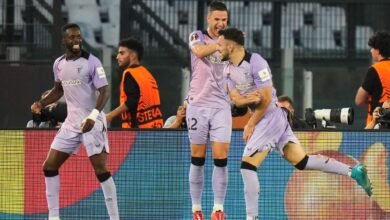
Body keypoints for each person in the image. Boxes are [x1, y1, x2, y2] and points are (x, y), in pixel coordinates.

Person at [217, 27, 373, 220]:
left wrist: (250, 122)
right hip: (271, 117)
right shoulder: (227, 70)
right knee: (302, 162)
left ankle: (252, 218)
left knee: (247, 168)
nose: (217, 48)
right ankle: (353, 171)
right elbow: (237, 101)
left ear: (231, 46)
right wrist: (248, 100)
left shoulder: (256, 62)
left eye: (220, 44)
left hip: (270, 117)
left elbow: (265, 100)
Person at [30, 23, 119, 220]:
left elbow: (105, 91)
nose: (76, 40)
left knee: (101, 171)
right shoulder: (59, 64)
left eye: (78, 36)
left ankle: (115, 218)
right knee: (49, 166)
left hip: (92, 122)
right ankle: (53, 217)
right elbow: (58, 90)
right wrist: (40, 103)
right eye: (72, 37)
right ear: (64, 40)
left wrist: (93, 116)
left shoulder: (92, 62)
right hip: (71, 124)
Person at [186, 1, 254, 219]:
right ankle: (196, 209)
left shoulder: (230, 44)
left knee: (220, 156)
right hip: (197, 105)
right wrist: (221, 43)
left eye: (224, 20)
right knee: (197, 157)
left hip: (221, 107)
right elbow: (199, 52)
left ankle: (218, 209)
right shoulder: (197, 36)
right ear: (208, 19)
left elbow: (239, 67)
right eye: (217, 19)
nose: (220, 23)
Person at [106, 38, 163, 128]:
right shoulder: (147, 74)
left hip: (138, 130)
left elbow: (132, 100)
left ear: (132, 55)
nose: (117, 57)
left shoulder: (130, 73)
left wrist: (110, 116)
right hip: (154, 127)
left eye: (122, 53)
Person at [355, 30, 390, 126]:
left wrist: (371, 99)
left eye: (372, 48)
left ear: (378, 50)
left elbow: (359, 100)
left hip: (377, 125)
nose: (371, 50)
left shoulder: (375, 70)